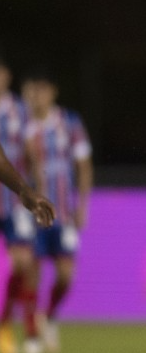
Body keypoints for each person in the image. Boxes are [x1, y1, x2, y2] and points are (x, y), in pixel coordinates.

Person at [21, 69, 92, 353]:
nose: (40, 95)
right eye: (36, 90)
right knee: (31, 273)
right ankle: (32, 339)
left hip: (63, 212)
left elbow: (83, 165)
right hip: (31, 215)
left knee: (65, 276)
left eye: (45, 89)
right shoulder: (23, 126)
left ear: (53, 92)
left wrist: (83, 205)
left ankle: (48, 316)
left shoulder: (69, 123)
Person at [0, 59, 54, 353]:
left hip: (9, 199)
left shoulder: (18, 110)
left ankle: (13, 325)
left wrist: (29, 191)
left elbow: (30, 153)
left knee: (23, 263)